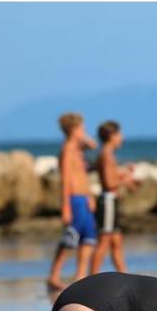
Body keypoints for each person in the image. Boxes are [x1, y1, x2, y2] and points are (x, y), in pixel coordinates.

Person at [47, 113, 98, 290]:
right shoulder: (68, 150)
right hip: (74, 199)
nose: (85, 131)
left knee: (88, 238)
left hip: (84, 198)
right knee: (71, 239)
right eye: (82, 128)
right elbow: (66, 179)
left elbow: (93, 145)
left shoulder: (78, 149)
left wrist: (90, 195)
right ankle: (53, 275)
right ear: (73, 130)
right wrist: (66, 206)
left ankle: (80, 275)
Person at [90, 121, 139, 274]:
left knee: (117, 241)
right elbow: (109, 182)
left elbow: (112, 175)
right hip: (108, 201)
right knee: (104, 242)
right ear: (112, 136)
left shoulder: (108, 154)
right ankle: (92, 277)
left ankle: (124, 275)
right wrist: (126, 181)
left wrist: (125, 173)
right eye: (119, 134)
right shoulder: (106, 154)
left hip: (112, 201)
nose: (121, 138)